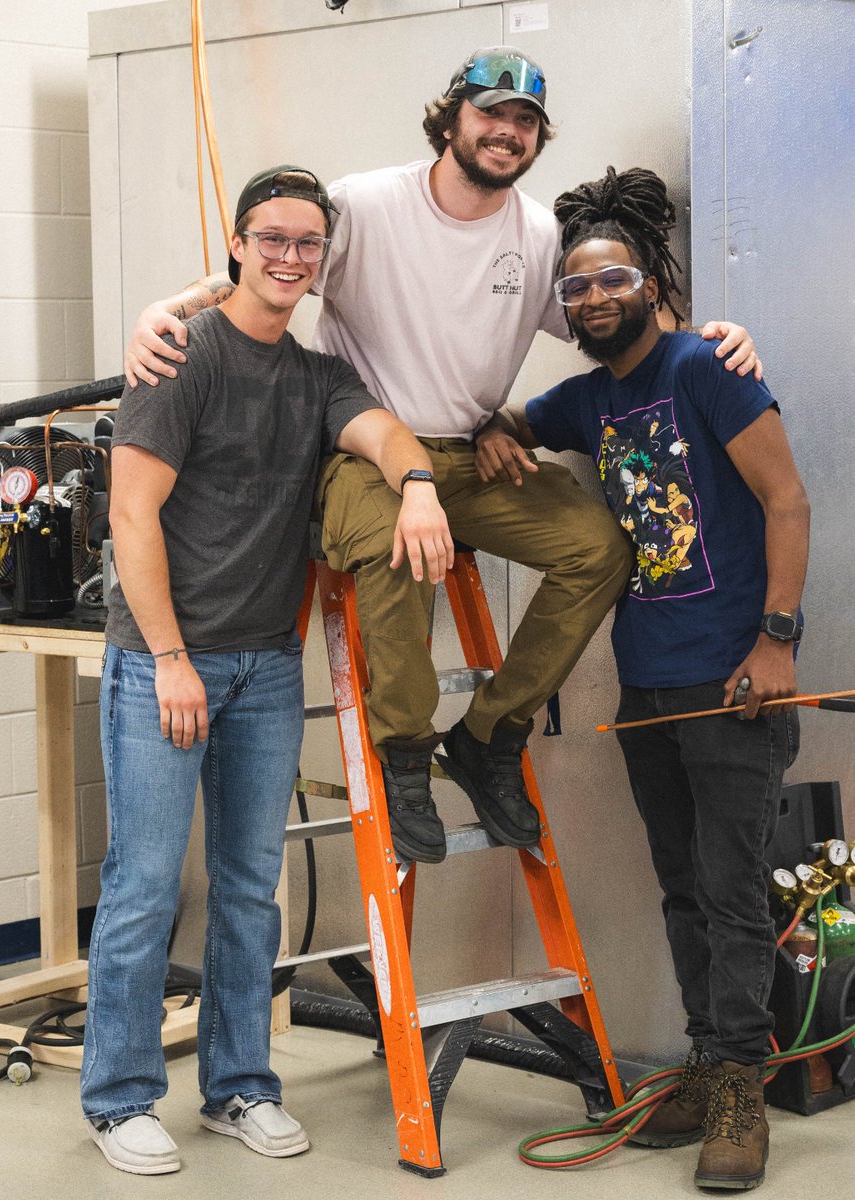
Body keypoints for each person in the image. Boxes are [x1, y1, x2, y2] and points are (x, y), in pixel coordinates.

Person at [122, 48, 761, 868]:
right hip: (364, 451)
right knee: (399, 544)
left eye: (525, 121)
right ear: (453, 116)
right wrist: (168, 308)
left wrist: (713, 337)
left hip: (471, 454)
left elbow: (613, 326)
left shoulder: (537, 234)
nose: (507, 132)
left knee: (599, 550)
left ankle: (491, 731)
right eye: (493, 113)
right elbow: (277, 263)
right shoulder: (365, 204)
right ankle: (405, 756)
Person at [81, 166, 453, 1176]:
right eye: (272, 237)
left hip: (264, 668)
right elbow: (130, 517)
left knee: (250, 888)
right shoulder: (179, 356)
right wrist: (167, 659)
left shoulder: (318, 374)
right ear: (238, 244)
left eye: (308, 243)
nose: (290, 256)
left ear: (322, 259)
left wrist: (418, 484)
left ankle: (238, 1087)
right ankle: (118, 1101)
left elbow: (382, 434)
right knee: (146, 885)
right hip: (164, 661)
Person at [479, 166, 809, 1191]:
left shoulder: (706, 367)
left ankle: (742, 1093)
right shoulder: (585, 397)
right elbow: (511, 426)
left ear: (649, 279)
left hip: (734, 681)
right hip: (647, 689)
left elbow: (788, 501)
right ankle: (711, 1070)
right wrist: (493, 431)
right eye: (573, 290)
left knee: (732, 893)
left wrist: (777, 640)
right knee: (682, 893)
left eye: (610, 279)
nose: (592, 299)